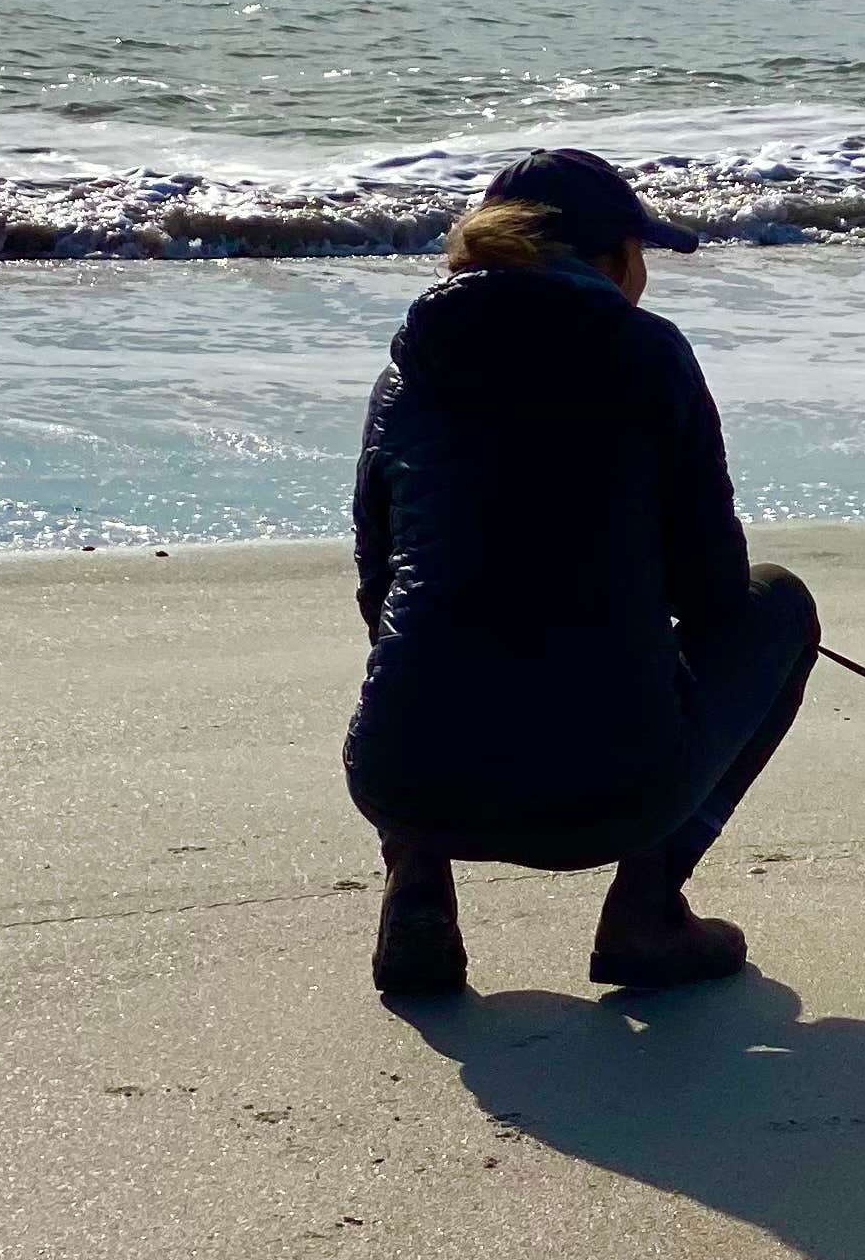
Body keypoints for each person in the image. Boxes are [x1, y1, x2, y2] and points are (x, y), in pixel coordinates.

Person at [344, 148, 819, 995]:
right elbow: (715, 589)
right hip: (607, 792)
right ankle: (646, 904)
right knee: (780, 605)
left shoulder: (410, 372)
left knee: (423, 606)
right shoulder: (649, 357)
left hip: (404, 778)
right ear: (606, 261)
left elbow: (377, 583)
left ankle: (418, 888)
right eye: (638, 256)